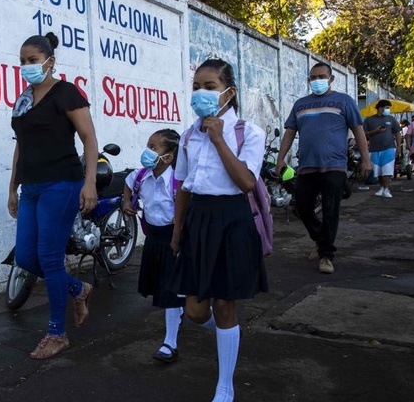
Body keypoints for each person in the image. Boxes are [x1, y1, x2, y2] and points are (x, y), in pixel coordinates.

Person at [169, 59, 268, 402]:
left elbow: (245, 182)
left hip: (231, 221)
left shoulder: (249, 132)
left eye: (210, 87)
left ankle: (225, 385)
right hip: (199, 220)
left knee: (225, 305)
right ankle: (228, 334)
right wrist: (177, 230)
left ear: (229, 93)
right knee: (196, 311)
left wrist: (219, 139)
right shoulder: (187, 135)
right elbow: (182, 184)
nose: (201, 93)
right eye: (197, 86)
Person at [8, 32, 99, 359]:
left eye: (32, 60)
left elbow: (89, 138)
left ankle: (57, 334)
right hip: (31, 187)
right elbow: (21, 145)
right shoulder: (23, 99)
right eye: (22, 61)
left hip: (61, 184)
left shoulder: (66, 93)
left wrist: (89, 182)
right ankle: (78, 289)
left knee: (48, 258)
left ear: (50, 61)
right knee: (25, 258)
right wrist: (12, 187)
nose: (26, 67)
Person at [276, 62, 371, 274]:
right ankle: (320, 239)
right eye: (313, 77)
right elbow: (290, 132)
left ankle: (326, 255)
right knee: (302, 207)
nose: (316, 80)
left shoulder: (344, 101)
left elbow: (358, 130)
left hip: (334, 166)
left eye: (321, 76)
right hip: (307, 166)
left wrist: (365, 158)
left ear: (330, 79)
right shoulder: (300, 105)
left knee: (330, 210)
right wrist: (280, 159)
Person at [122, 129, 183, 363]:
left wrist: (178, 240)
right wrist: (127, 202)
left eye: (154, 148)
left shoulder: (177, 181)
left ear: (168, 157)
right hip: (153, 238)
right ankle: (187, 314)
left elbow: (182, 213)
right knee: (165, 288)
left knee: (170, 290)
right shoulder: (141, 176)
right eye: (148, 145)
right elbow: (127, 185)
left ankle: (170, 343)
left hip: (173, 237)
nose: (148, 151)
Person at [362, 100, 401, 197]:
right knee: (378, 170)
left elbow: (397, 132)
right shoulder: (369, 120)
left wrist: (398, 146)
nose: (388, 110)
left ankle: (387, 189)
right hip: (374, 148)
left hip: (389, 147)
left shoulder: (391, 119)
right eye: (387, 107)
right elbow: (363, 133)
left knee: (387, 169)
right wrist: (375, 131)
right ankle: (382, 187)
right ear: (380, 108)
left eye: (389, 108)